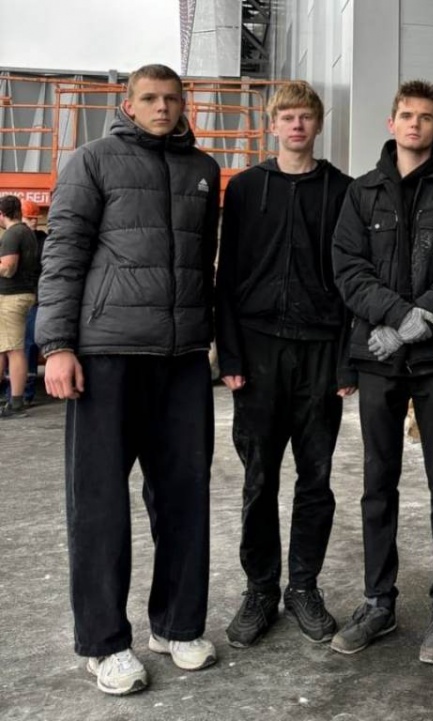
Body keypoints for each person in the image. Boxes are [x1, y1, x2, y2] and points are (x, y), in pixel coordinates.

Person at [36, 63, 220, 696]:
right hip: (107, 355)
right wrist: (57, 345)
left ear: (183, 103)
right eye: (150, 98)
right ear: (129, 104)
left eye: (172, 98)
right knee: (100, 505)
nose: (162, 107)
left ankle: (177, 625)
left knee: (185, 498)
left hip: (183, 359)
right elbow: (63, 254)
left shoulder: (203, 169)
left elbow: (204, 262)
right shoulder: (91, 161)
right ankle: (104, 643)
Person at [331, 79, 433, 664]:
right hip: (378, 357)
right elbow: (348, 268)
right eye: (406, 115)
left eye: (426, 117)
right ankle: (378, 601)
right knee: (378, 483)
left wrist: (424, 317)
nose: (415, 124)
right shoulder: (362, 193)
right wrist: (398, 317)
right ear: (391, 123)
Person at [216, 81, 355, 649]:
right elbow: (227, 275)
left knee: (315, 480)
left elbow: (352, 280)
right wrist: (229, 353)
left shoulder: (343, 191)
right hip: (258, 352)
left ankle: (303, 587)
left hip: (320, 350)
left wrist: (347, 361)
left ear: (318, 124)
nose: (297, 125)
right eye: (287, 116)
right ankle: (259, 589)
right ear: (272, 124)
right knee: (259, 480)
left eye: (306, 117)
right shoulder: (246, 189)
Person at [0, 195, 39, 419]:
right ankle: (12, 400)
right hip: (21, 295)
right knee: (5, 348)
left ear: (2, 214)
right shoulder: (26, 233)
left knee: (14, 350)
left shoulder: (12, 234)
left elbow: (8, 268)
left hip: (12, 297)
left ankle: (16, 403)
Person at [20, 199, 46, 405]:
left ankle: (25, 392)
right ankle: (12, 390)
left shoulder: (42, 240)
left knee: (29, 344)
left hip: (34, 298)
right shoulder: (13, 238)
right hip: (19, 297)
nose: (34, 222)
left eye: (35, 218)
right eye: (29, 218)